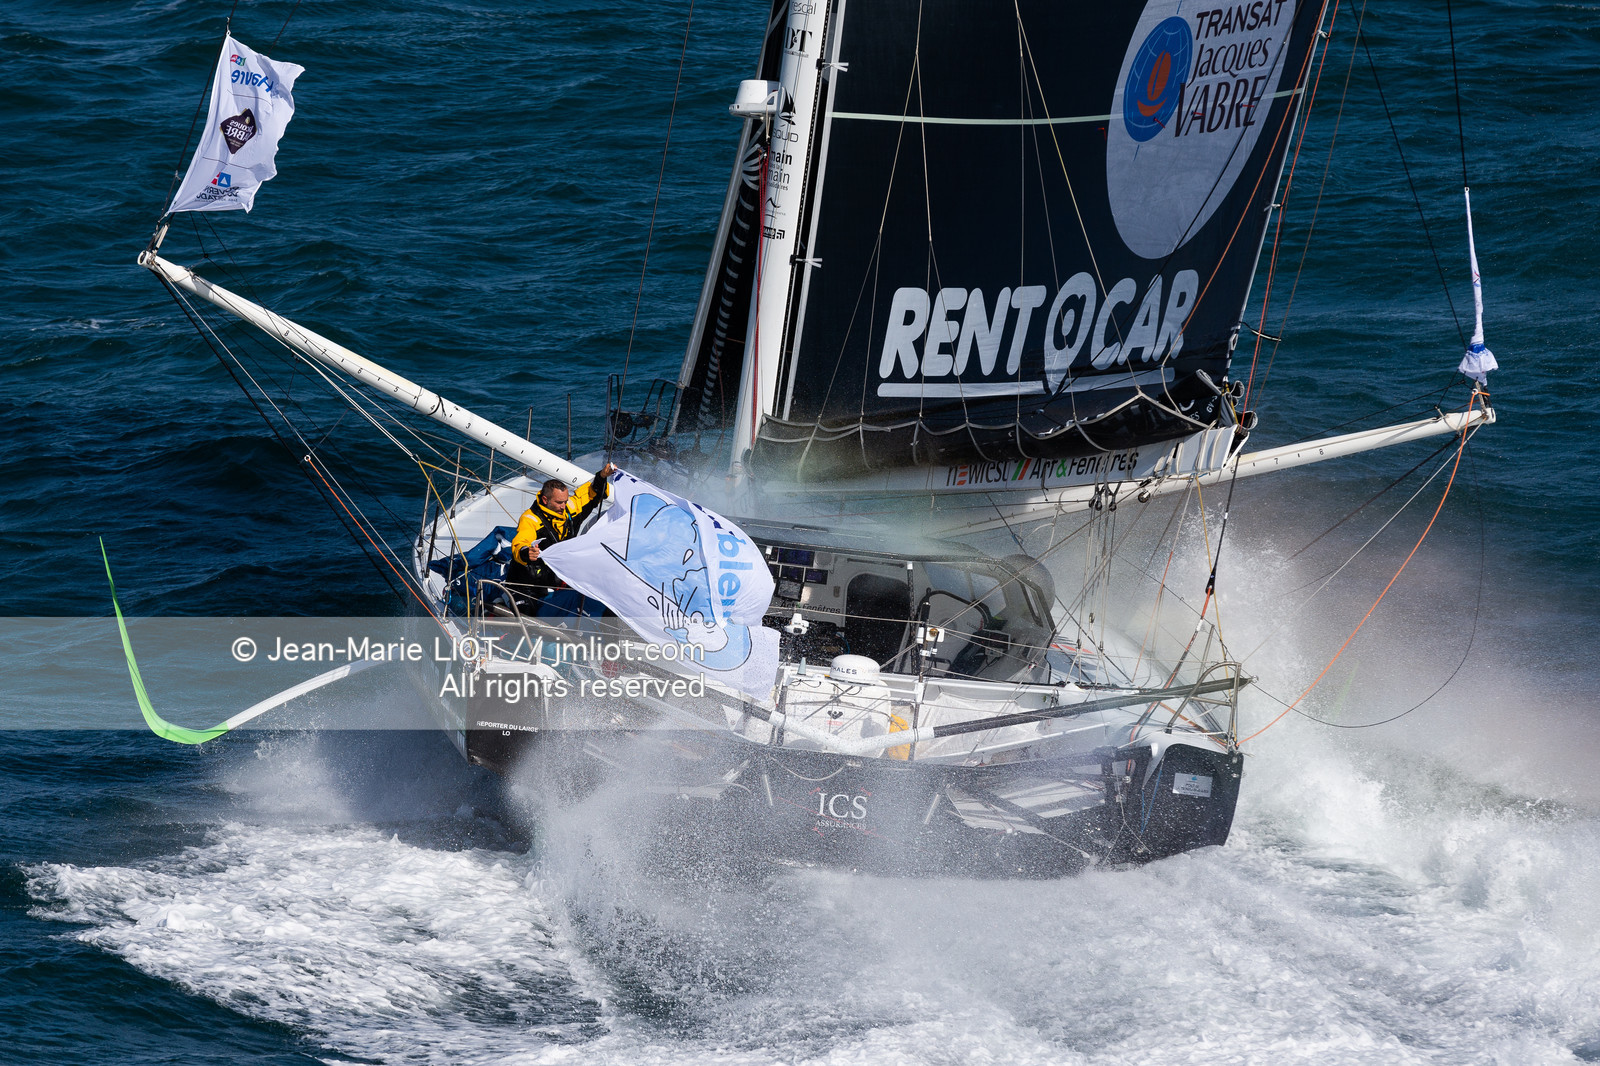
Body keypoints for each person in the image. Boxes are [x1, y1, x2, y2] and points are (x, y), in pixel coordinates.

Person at [505, 463, 617, 616]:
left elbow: (589, 494)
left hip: (557, 579)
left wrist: (602, 476)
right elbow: (521, 541)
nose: (564, 506)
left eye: (565, 501)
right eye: (559, 502)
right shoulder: (530, 519)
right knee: (525, 618)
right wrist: (526, 552)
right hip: (527, 584)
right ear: (545, 500)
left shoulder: (568, 509)